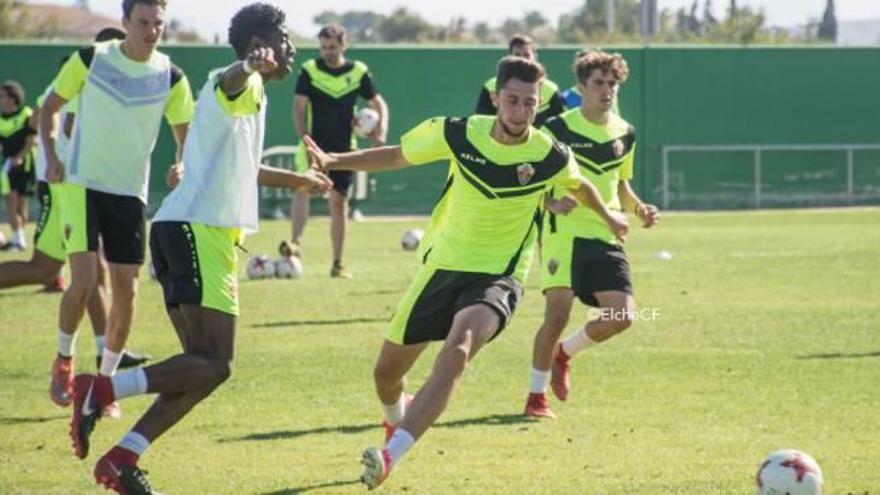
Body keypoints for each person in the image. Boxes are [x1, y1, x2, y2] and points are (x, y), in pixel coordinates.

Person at [304, 55, 629, 490]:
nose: (519, 112)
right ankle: (396, 419)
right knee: (386, 374)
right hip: (441, 267)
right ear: (495, 98)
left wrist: (610, 217)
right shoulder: (456, 133)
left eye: (529, 104)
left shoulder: (549, 153)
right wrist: (334, 159)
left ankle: (390, 455)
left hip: (499, 276)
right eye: (511, 101)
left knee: (458, 350)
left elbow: (579, 182)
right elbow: (399, 155)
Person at [68, 4, 331, 492]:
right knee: (215, 363)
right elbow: (231, 78)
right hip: (196, 232)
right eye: (283, 38)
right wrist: (250, 63)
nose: (292, 46)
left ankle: (122, 458)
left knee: (203, 371)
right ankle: (101, 387)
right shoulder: (238, 81)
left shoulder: (252, 97)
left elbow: (242, 168)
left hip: (187, 230)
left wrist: (299, 180)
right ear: (260, 43)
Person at [40, 0, 194, 418]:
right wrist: (52, 155)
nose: (151, 30)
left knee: (128, 288)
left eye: (158, 24)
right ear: (124, 23)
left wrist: (181, 162)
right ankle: (64, 358)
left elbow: (187, 136)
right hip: (80, 184)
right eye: (143, 22)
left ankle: (104, 385)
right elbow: (49, 108)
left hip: (130, 192)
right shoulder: (91, 58)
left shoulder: (171, 76)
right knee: (85, 280)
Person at [524, 50, 660, 418]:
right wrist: (550, 203)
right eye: (599, 83)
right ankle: (536, 397)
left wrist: (639, 208)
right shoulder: (557, 129)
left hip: (607, 232)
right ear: (581, 87)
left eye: (612, 83)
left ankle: (564, 354)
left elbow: (622, 186)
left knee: (623, 316)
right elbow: (530, 177)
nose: (607, 90)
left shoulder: (625, 132)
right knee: (557, 314)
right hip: (564, 234)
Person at [289, 23, 388, 278]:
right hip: (314, 145)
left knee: (338, 203)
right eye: (323, 47)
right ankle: (294, 246)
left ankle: (337, 263)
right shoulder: (309, 70)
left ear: (344, 45)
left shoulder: (358, 72)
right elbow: (299, 107)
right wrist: (304, 139)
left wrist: (381, 130)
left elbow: (378, 103)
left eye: (332, 47)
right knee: (301, 188)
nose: (327, 52)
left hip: (344, 148)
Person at [474, 34, 564, 127]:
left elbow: (558, 127)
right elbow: (481, 121)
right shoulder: (490, 86)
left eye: (526, 55)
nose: (522, 58)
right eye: (517, 55)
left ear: (535, 56)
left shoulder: (551, 90)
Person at [0, 80, 37, 251]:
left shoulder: (26, 114)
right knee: (11, 203)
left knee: (22, 206)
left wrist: (20, 157)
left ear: (13, 98)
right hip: (8, 168)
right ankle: (18, 240)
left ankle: (19, 240)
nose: (1, 100)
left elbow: (32, 140)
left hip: (26, 166)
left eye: (3, 96)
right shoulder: (1, 120)